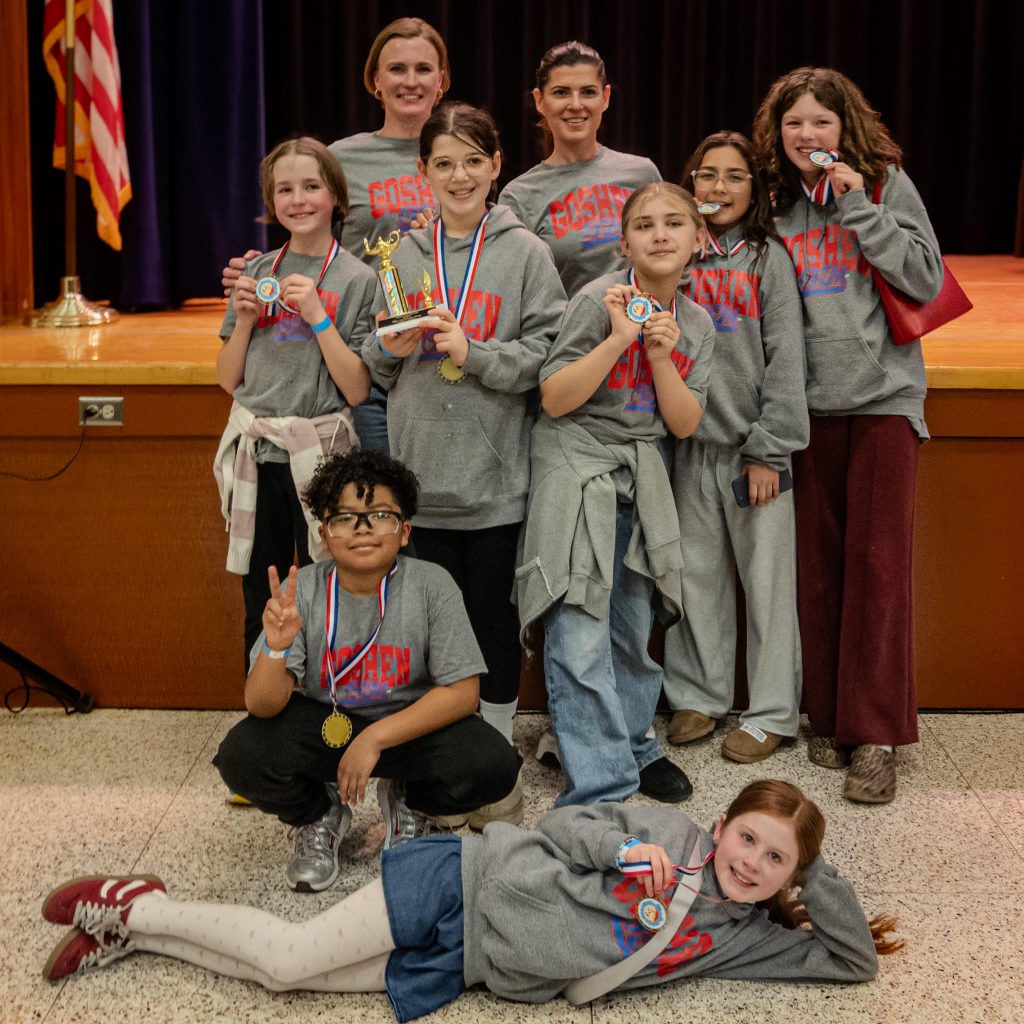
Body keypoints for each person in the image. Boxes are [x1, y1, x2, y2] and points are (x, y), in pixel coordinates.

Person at [42, 780, 902, 1024]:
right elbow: (565, 823)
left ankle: (130, 936)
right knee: (287, 954)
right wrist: (623, 849)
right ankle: (135, 902)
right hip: (466, 879)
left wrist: (811, 868)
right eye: (747, 837)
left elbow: (852, 961)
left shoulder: (745, 934)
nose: (751, 861)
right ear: (720, 826)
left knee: (281, 986)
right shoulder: (671, 833)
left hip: (476, 964)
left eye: (774, 858)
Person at [362, 102, 566, 826]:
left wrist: (473, 354)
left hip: (494, 487)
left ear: (496, 166)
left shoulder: (525, 254)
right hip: (420, 487)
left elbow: (546, 357)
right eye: (443, 162)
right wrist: (386, 350)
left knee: (489, 626)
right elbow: (368, 365)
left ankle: (496, 757)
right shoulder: (398, 256)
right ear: (423, 172)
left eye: (472, 161)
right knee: (422, 634)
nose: (458, 175)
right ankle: (429, 765)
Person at [752, 67, 944, 803]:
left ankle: (878, 737)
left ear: (845, 129)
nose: (808, 136)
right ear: (778, 131)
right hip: (806, 407)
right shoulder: (772, 201)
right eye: (794, 123)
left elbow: (924, 278)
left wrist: (860, 207)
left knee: (879, 567)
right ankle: (829, 716)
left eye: (821, 124)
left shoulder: (886, 185)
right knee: (820, 568)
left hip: (884, 399)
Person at [211, 449, 521, 893]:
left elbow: (463, 692)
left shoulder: (432, 585)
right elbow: (261, 705)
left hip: (406, 730)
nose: (362, 528)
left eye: (379, 515)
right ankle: (319, 815)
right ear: (324, 532)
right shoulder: (306, 590)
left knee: (493, 764)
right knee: (243, 754)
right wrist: (276, 650)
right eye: (345, 517)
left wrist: (374, 738)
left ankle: (410, 803)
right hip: (327, 725)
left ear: (405, 530)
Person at [515, 182, 715, 807]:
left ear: (697, 241)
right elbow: (554, 398)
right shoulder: (593, 300)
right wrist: (618, 338)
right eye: (646, 225)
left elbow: (683, 424)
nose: (660, 234)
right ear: (624, 241)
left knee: (631, 625)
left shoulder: (698, 324)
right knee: (577, 627)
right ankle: (602, 779)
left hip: (640, 472)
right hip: (576, 466)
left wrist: (660, 360)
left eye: (675, 223)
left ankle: (634, 743)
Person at [222, 17, 451, 454]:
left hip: (438, 349)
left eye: (423, 69)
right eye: (396, 69)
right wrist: (264, 269)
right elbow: (311, 238)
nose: (410, 81)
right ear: (375, 80)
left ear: (441, 80)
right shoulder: (343, 157)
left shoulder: (459, 153)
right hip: (366, 351)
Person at [661, 131, 809, 764]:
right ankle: (699, 694)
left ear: (758, 190)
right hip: (691, 446)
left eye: (734, 177)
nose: (718, 188)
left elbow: (785, 361)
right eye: (706, 175)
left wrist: (769, 449)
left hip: (754, 453)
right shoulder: (675, 255)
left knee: (768, 586)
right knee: (696, 580)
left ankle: (774, 710)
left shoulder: (766, 258)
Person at [214, 137, 376, 668]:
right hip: (259, 459)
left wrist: (319, 318)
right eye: (285, 189)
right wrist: (241, 322)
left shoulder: (357, 278)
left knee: (328, 585)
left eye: (311, 186)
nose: (299, 199)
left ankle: (324, 695)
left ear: (335, 195)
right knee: (261, 592)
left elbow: (356, 389)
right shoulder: (256, 272)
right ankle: (263, 702)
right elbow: (226, 379)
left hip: (321, 459)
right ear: (271, 200)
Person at [498, 40, 661, 299]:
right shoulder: (519, 195)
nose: (576, 104)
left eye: (588, 92)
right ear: (540, 100)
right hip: (566, 338)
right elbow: (518, 294)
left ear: (605, 98)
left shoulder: (642, 174)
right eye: (561, 92)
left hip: (643, 333)